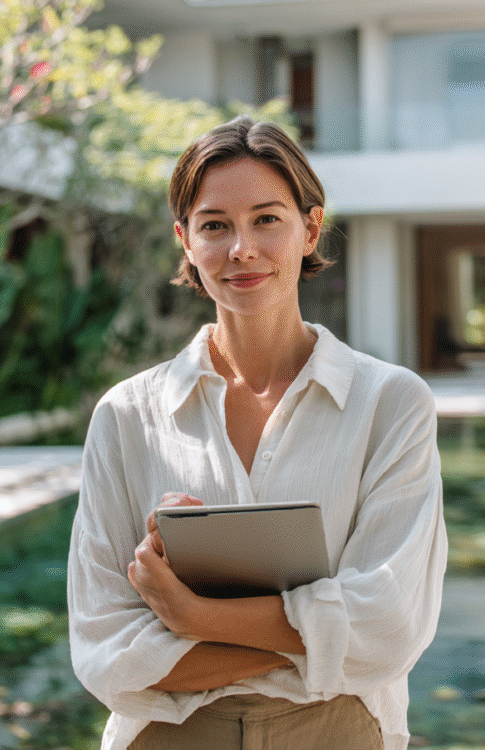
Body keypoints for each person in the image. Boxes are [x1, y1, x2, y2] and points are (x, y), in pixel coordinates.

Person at [67, 116, 447, 750]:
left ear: (310, 228)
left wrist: (197, 617)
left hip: (339, 732)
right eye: (216, 225)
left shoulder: (390, 404)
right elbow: (104, 653)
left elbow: (392, 627)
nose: (241, 248)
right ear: (185, 241)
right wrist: (320, 640)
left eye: (267, 219)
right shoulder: (126, 416)